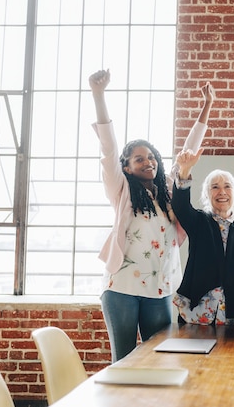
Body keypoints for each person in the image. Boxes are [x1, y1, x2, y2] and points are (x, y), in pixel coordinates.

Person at [88, 69, 212, 362]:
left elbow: (188, 152)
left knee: (158, 360)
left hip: (160, 291)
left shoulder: (167, 195)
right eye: (139, 158)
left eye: (151, 156)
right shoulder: (121, 191)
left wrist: (207, 105)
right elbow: (109, 150)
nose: (148, 161)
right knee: (125, 362)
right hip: (122, 289)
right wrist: (98, 94)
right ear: (127, 167)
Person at [171, 112, 234, 328]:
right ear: (207, 194)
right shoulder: (199, 222)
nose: (222, 192)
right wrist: (185, 170)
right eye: (215, 187)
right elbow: (181, 207)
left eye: (227, 186)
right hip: (196, 314)